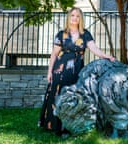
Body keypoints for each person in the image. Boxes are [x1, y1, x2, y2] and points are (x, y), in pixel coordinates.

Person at [38, 7, 115, 136]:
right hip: (60, 71)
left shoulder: (85, 34)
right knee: (57, 97)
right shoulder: (61, 34)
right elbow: (54, 54)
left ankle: (70, 126)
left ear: (81, 19)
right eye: (73, 15)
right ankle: (54, 125)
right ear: (69, 17)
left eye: (78, 16)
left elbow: (94, 49)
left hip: (76, 71)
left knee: (73, 98)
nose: (75, 18)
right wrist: (49, 72)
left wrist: (106, 56)